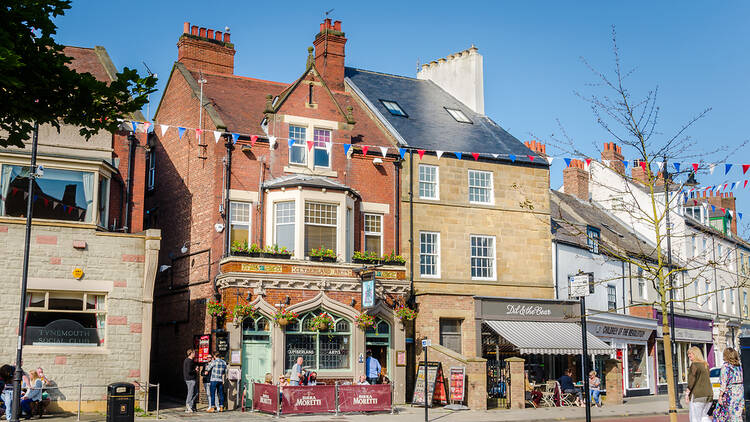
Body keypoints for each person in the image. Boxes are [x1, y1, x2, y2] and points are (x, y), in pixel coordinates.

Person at [713, 347, 744, 421]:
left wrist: (720, 396)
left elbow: (723, 383)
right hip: (740, 392)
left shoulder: (726, 367)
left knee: (730, 416)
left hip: (731, 394)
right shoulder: (739, 366)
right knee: (738, 415)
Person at [686, 346, 713, 422]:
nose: (689, 356)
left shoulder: (694, 365)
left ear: (695, 354)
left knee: (695, 418)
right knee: (704, 416)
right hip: (709, 395)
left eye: (690, 354)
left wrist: (687, 394)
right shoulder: (705, 365)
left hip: (698, 395)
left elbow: (691, 381)